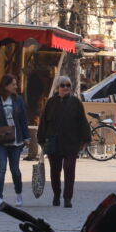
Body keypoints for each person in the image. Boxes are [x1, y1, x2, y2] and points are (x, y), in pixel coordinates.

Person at [36, 75, 90, 208]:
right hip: (54, 142)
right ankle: (56, 194)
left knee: (69, 169)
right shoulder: (51, 102)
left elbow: (82, 121)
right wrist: (41, 139)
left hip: (71, 142)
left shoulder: (76, 103)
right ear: (57, 87)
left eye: (68, 85)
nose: (65, 88)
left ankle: (67, 198)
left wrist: (85, 139)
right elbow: (43, 122)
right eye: (62, 85)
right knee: (55, 171)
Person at [0, 74, 29, 207]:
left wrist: (26, 137)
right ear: (5, 86)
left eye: (16, 84)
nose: (16, 86)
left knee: (15, 169)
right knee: (1, 168)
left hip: (16, 140)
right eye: (13, 84)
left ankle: (19, 194)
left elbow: (23, 120)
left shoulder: (18, 100)